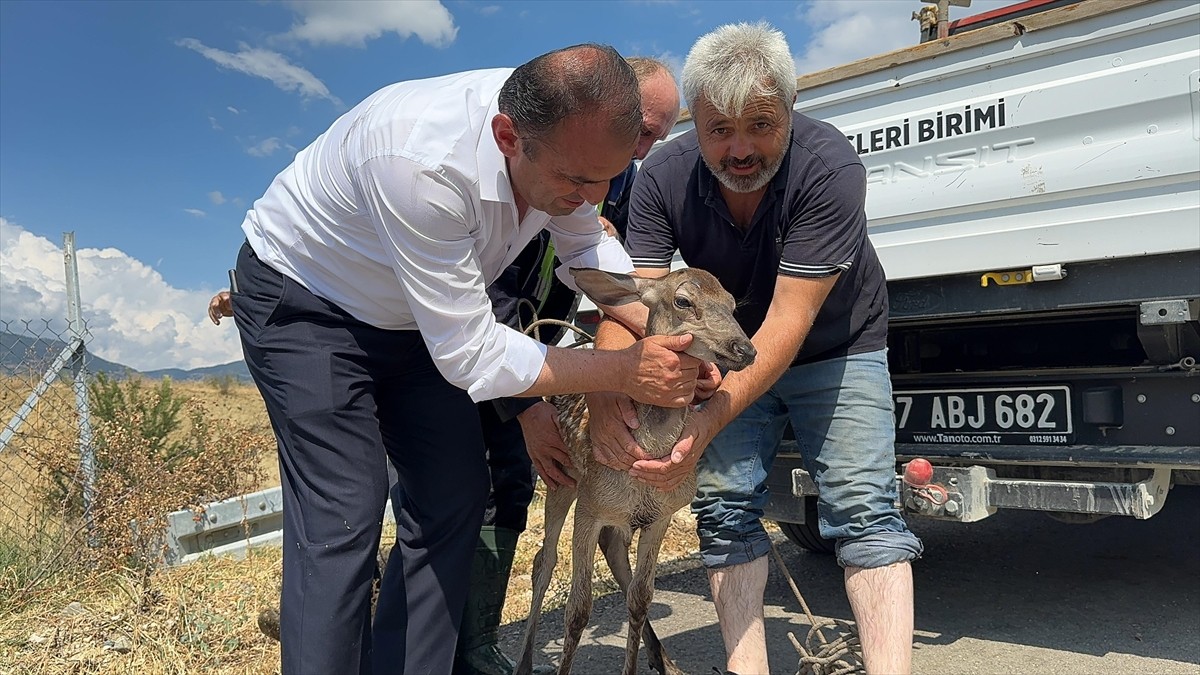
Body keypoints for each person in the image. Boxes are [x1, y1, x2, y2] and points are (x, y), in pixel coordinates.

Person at [224, 44, 704, 675]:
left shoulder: (564, 143)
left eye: (607, 178)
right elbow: (472, 354)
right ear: (509, 137)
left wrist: (669, 333)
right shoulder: (421, 162)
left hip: (412, 315)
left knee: (452, 494)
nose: (596, 195)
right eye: (579, 182)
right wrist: (620, 371)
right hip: (310, 304)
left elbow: (586, 249)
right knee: (345, 508)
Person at [586, 24, 924, 675]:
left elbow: (786, 325)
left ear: (790, 114)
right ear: (697, 121)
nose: (739, 149)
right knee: (726, 508)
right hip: (729, 350)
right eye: (719, 130)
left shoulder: (829, 168)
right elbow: (640, 305)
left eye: (760, 125)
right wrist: (606, 394)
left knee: (862, 508)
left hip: (837, 344)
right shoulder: (663, 178)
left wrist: (707, 418)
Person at [596, 57, 680, 242]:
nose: (642, 153)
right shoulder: (543, 145)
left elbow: (630, 244)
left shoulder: (627, 177)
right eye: (643, 131)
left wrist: (612, 234)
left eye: (656, 139)